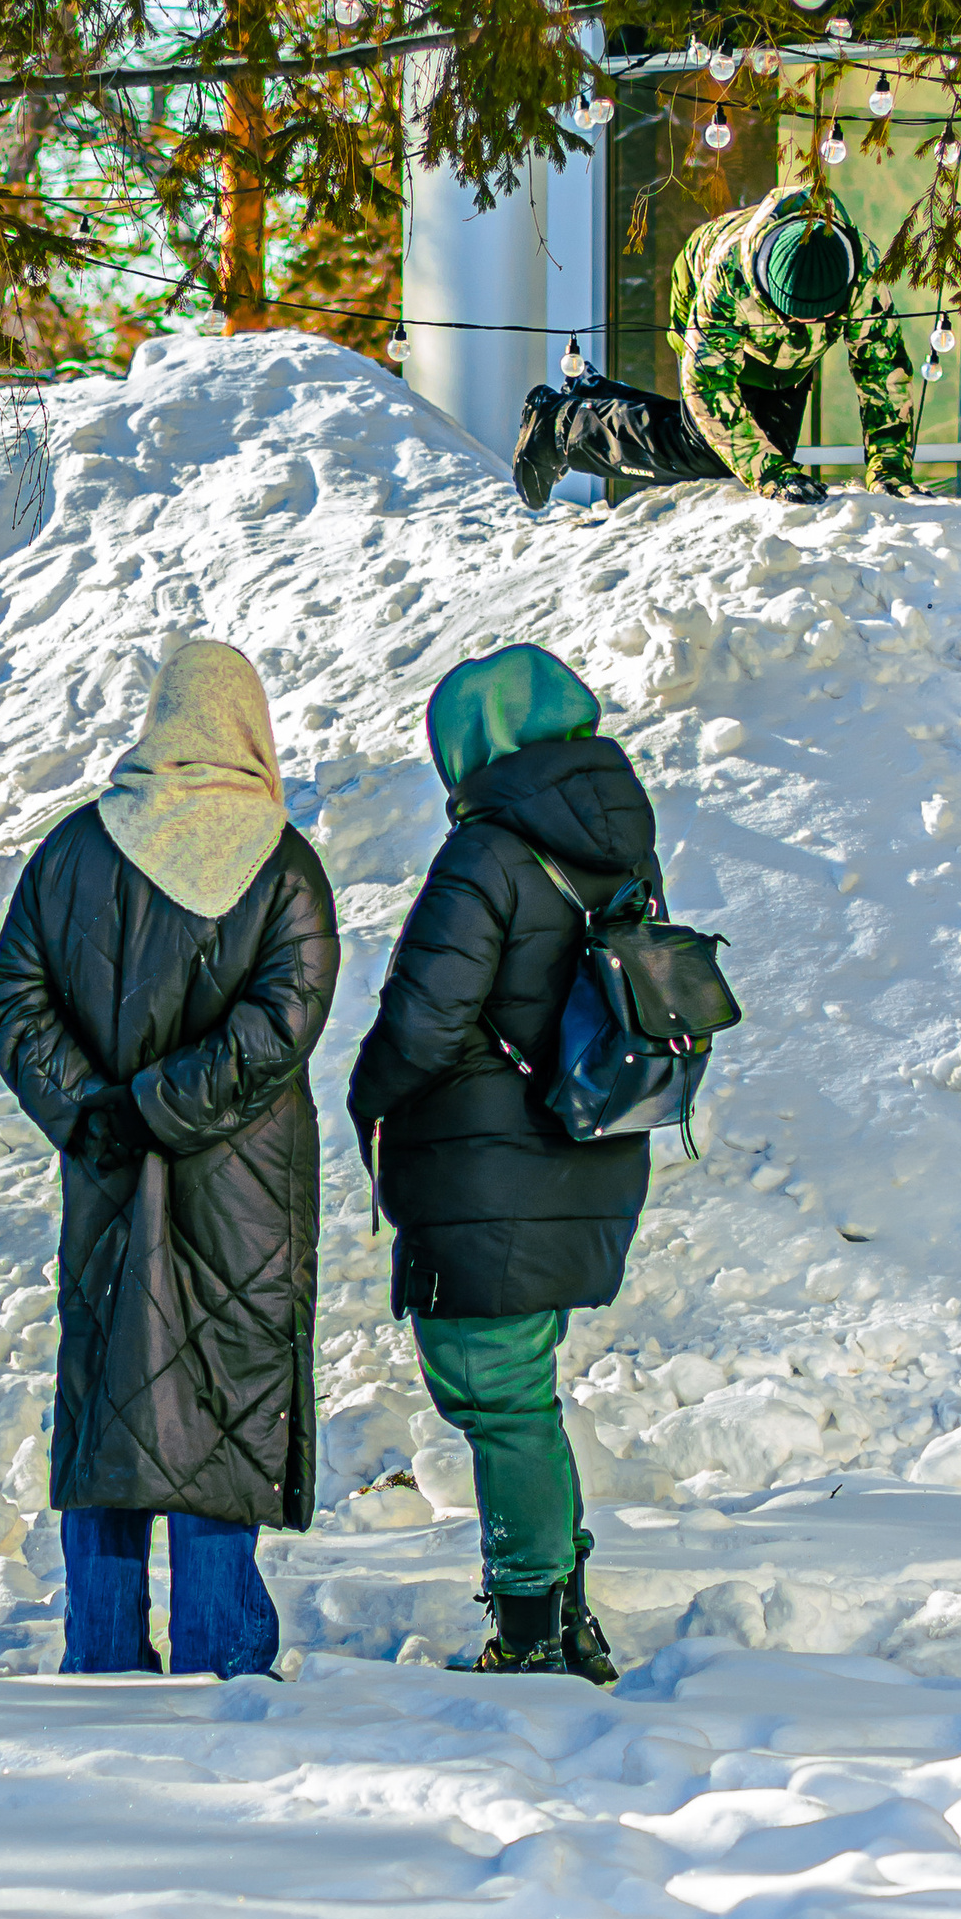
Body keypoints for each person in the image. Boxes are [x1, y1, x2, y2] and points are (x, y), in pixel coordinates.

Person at [0, 641, 340, 1679]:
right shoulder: (283, 864)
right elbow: (283, 1023)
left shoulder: (73, 851)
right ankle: (223, 1654)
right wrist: (164, 1104)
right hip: (246, 1185)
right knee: (222, 1401)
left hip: (105, 1176)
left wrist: (97, 1110)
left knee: (111, 1406)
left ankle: (100, 1649)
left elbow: (11, 1002)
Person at [346, 644, 661, 1685]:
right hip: (585, 1149)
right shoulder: (614, 839)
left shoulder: (487, 851)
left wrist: (368, 1094)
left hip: (488, 1168)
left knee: (496, 1397)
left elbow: (425, 1017)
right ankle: (562, 1616)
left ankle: (531, 1632)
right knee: (522, 1391)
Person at [512, 176, 918, 508]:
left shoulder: (863, 273)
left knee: (766, 448)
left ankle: (595, 394)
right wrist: (768, 473)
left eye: (821, 316)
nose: (805, 322)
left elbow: (882, 372)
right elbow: (707, 388)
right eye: (791, 312)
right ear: (767, 289)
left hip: (790, 356)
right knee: (709, 448)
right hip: (701, 292)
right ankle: (559, 427)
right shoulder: (727, 279)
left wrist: (890, 470)